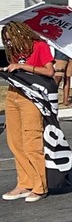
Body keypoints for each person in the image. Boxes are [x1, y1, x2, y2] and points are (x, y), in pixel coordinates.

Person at [1, 22, 55, 202]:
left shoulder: (40, 46)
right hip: (13, 94)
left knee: (32, 140)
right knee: (14, 141)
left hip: (31, 97)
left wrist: (22, 67)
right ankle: (24, 183)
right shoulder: (15, 50)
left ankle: (40, 186)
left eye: (11, 39)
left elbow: (49, 71)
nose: (9, 44)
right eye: (7, 42)